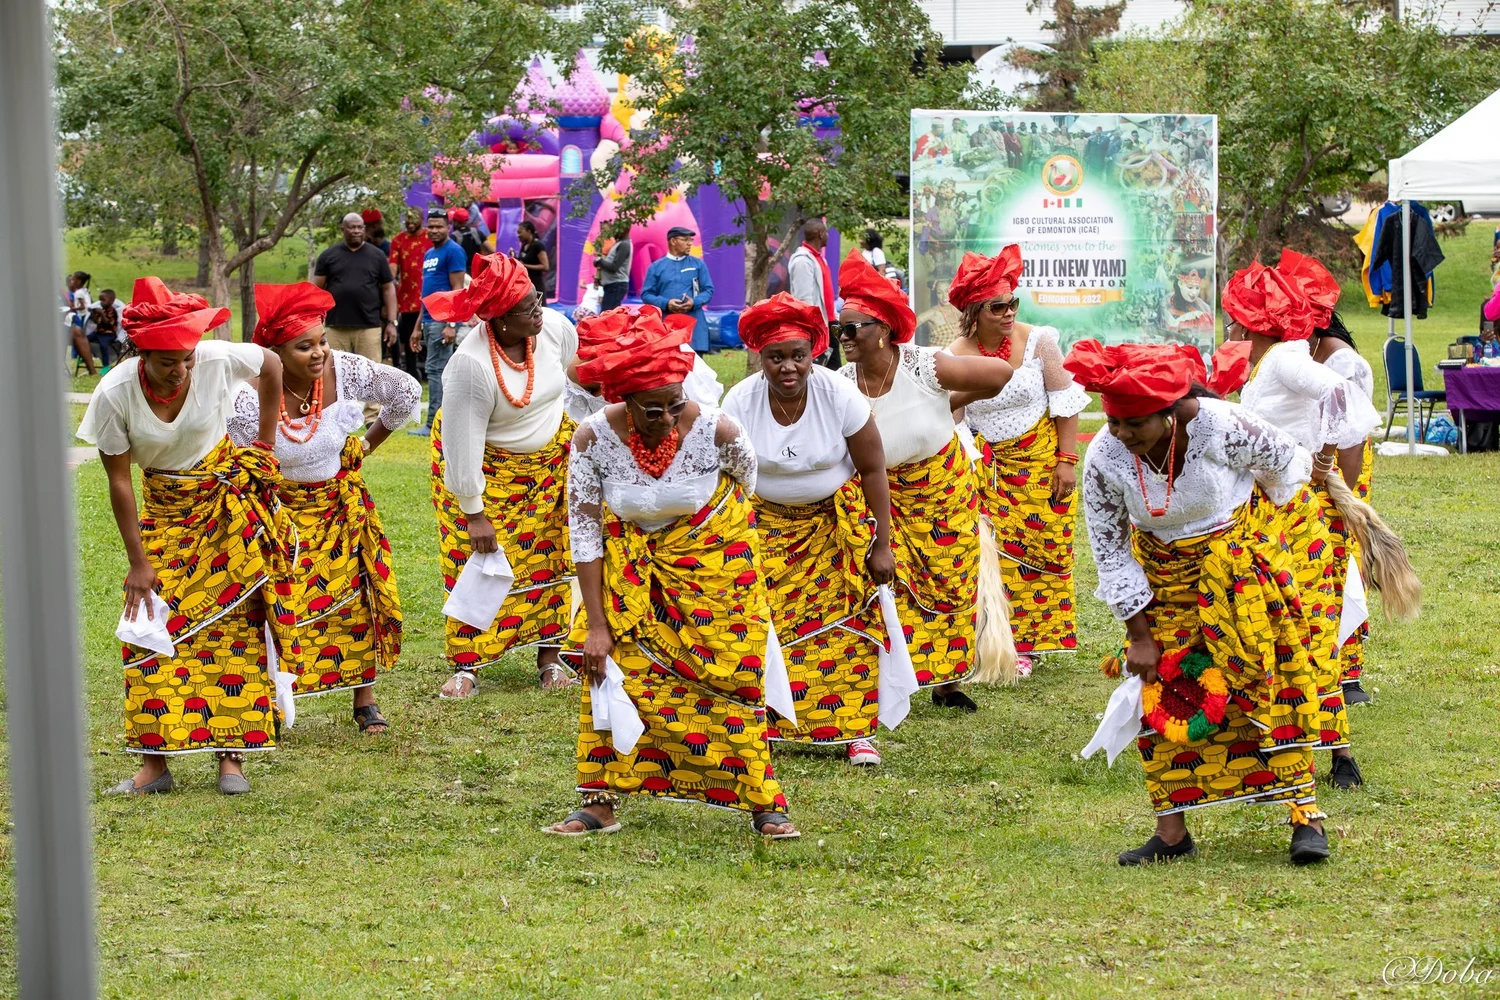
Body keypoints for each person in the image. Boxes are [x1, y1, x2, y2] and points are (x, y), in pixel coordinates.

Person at [1069, 339, 1332, 866]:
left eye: (1135, 424)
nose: (1121, 434)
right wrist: (1139, 636)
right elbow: (1109, 549)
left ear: (1170, 413)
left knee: (1271, 682)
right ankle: (1172, 834)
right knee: (1165, 690)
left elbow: (1287, 463)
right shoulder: (1103, 456)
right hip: (1163, 585)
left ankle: (1305, 817)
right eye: (1114, 422)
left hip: (1238, 576)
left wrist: (1253, 535)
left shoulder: (1222, 426)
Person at [544, 306, 799, 839]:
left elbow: (744, 488)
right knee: (612, 671)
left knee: (734, 675)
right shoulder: (591, 438)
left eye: (675, 405)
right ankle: (599, 801)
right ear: (623, 401)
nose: (667, 419)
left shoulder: (717, 429)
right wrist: (596, 624)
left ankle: (762, 800)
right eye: (653, 410)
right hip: (630, 574)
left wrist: (703, 549)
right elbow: (584, 530)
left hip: (714, 573)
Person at [77, 277, 290, 796]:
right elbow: (120, 482)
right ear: (141, 354)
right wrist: (138, 562)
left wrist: (265, 445)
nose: (181, 370)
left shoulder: (216, 359)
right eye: (167, 361)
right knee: (149, 628)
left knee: (235, 625)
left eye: (187, 358)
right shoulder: (114, 393)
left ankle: (232, 758)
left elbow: (272, 365)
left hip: (224, 506)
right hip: (165, 512)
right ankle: (155, 765)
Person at [227, 282, 420, 735]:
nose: (319, 353)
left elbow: (407, 392)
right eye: (304, 346)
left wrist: (364, 447)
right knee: (276, 605)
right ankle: (273, 700)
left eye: (322, 341)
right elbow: (239, 465)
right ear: (274, 353)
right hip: (278, 513)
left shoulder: (344, 370)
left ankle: (364, 699)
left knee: (353, 600)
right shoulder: (246, 398)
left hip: (338, 507)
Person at [1222, 251, 1381, 791]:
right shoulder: (1272, 359)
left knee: (1307, 630)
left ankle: (1337, 752)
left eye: (1235, 319)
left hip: (1292, 514)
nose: (1231, 329)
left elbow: (1340, 393)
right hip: (1265, 510)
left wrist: (1324, 459)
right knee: (1269, 627)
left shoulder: (1284, 359)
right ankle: (1276, 740)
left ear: (1252, 323)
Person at [722, 293, 899, 766]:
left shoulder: (839, 395)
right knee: (766, 624)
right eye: (776, 357)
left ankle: (855, 732)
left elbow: (873, 469)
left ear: (814, 353)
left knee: (848, 623)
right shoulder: (739, 401)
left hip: (834, 523)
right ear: (760, 358)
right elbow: (725, 478)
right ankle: (769, 724)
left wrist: (882, 544)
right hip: (765, 525)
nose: (788, 367)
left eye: (798, 355)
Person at [836, 251, 1014, 711]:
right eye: (841, 329)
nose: (844, 337)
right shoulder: (841, 383)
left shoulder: (924, 365)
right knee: (886, 584)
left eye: (853, 328)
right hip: (881, 495)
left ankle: (947, 681)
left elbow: (1000, 374)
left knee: (951, 580)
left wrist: (946, 400)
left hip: (941, 491)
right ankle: (895, 675)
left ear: (883, 330)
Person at [423, 252, 579, 698]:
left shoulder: (554, 329)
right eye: (528, 307)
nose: (540, 311)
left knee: (551, 556)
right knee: (476, 562)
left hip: (549, 467)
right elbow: (461, 444)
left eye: (538, 299)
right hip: (485, 469)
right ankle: (467, 665)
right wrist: (474, 513)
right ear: (499, 319)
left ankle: (550, 659)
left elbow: (567, 376)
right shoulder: (470, 366)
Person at [946, 247, 1089, 680]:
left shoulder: (1039, 341)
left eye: (1013, 303)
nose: (1009, 312)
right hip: (987, 469)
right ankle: (1001, 639)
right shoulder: (954, 354)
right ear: (974, 312)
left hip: (1043, 464)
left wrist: (1067, 460)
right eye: (997, 306)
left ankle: (1032, 641)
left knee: (1041, 549)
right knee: (993, 554)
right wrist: (967, 465)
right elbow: (953, 417)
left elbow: (1064, 402)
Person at [1308, 309, 1377, 705]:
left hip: (1339, 473)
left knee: (1341, 562)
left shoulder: (1343, 363)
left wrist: (1342, 498)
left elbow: (1349, 440)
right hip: (1317, 470)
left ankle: (1348, 672)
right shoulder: (1304, 354)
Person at [313, 212, 399, 427]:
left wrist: (391, 322)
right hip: (335, 325)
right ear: (343, 229)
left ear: (365, 229)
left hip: (369, 325)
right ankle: (334, 415)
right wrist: (313, 321)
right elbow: (316, 289)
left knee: (372, 373)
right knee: (333, 372)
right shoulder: (329, 256)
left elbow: (388, 289)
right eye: (351, 227)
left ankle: (372, 418)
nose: (356, 231)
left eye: (360, 227)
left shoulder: (377, 256)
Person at [408, 208, 470, 436]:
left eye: (439, 226)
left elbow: (457, 289)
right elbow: (427, 293)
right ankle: (437, 423)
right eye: (431, 226)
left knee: (437, 371)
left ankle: (435, 424)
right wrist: (417, 327)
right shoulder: (429, 254)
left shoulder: (454, 251)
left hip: (442, 321)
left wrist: (451, 324)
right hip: (428, 320)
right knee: (434, 370)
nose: (434, 230)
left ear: (448, 228)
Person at [640, 226, 715, 353]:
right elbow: (646, 294)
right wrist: (666, 303)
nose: (689, 243)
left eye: (690, 240)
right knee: (668, 360)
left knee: (695, 363)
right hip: (666, 326)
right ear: (673, 241)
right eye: (685, 240)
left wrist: (694, 302)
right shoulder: (656, 267)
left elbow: (708, 290)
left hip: (693, 326)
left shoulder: (698, 264)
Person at [787, 218, 840, 367]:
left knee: (833, 371)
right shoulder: (802, 262)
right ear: (820, 234)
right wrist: (813, 329)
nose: (828, 235)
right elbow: (803, 300)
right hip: (816, 326)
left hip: (828, 324)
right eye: (826, 232)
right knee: (821, 369)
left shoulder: (819, 259)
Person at [387, 209, 430, 383]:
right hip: (408, 298)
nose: (410, 223)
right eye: (407, 220)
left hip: (429, 294)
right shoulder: (398, 240)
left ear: (422, 219)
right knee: (409, 336)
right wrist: (389, 280)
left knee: (430, 335)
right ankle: (412, 374)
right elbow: (393, 265)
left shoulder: (430, 237)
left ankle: (430, 371)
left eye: (414, 220)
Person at [594, 222, 633, 312]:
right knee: (607, 314)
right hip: (612, 285)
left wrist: (599, 261)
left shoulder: (624, 244)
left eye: (616, 229)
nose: (613, 232)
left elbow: (614, 267)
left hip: (616, 286)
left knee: (608, 315)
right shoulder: (619, 243)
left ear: (623, 230)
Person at [65, 270, 98, 376]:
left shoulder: (78, 292)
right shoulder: (84, 290)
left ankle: (77, 355)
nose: (70, 282)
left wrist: (72, 308)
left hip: (82, 316)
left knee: (78, 332)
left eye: (72, 280)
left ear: (78, 281)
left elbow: (82, 306)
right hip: (86, 315)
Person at [86, 287, 126, 370]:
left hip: (109, 334)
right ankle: (85, 356)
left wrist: (102, 314)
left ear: (111, 301)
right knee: (84, 339)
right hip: (98, 333)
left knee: (103, 345)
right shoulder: (102, 310)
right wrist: (92, 313)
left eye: (103, 300)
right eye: (100, 300)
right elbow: (96, 322)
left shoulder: (112, 311)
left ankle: (106, 366)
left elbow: (108, 324)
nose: (101, 302)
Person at [514, 219, 549, 298]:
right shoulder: (524, 245)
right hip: (527, 286)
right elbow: (523, 262)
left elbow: (545, 266)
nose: (518, 235)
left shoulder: (538, 245)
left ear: (529, 231)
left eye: (520, 232)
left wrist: (525, 265)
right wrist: (514, 256)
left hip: (537, 286)